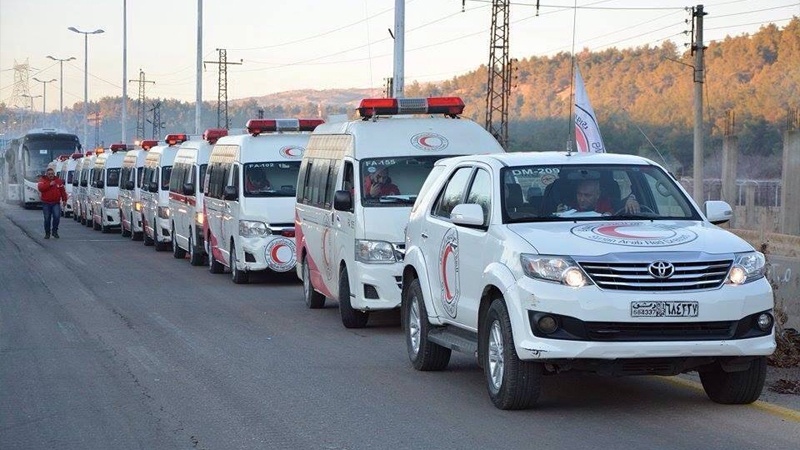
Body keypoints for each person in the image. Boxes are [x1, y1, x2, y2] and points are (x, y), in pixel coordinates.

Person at [571, 179, 639, 214]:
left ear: (598, 195)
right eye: (579, 194)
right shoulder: (568, 207)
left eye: (587, 195)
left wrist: (631, 199)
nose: (582, 199)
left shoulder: (611, 205)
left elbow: (625, 203)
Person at [37, 168, 68, 239]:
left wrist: (64, 200)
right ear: (46, 174)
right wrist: (49, 184)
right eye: (49, 174)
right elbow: (40, 188)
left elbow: (62, 191)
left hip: (56, 203)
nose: (51, 175)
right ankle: (47, 233)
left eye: (52, 174)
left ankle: (55, 231)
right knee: (47, 218)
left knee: (57, 217)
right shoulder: (42, 180)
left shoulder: (58, 181)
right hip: (46, 203)